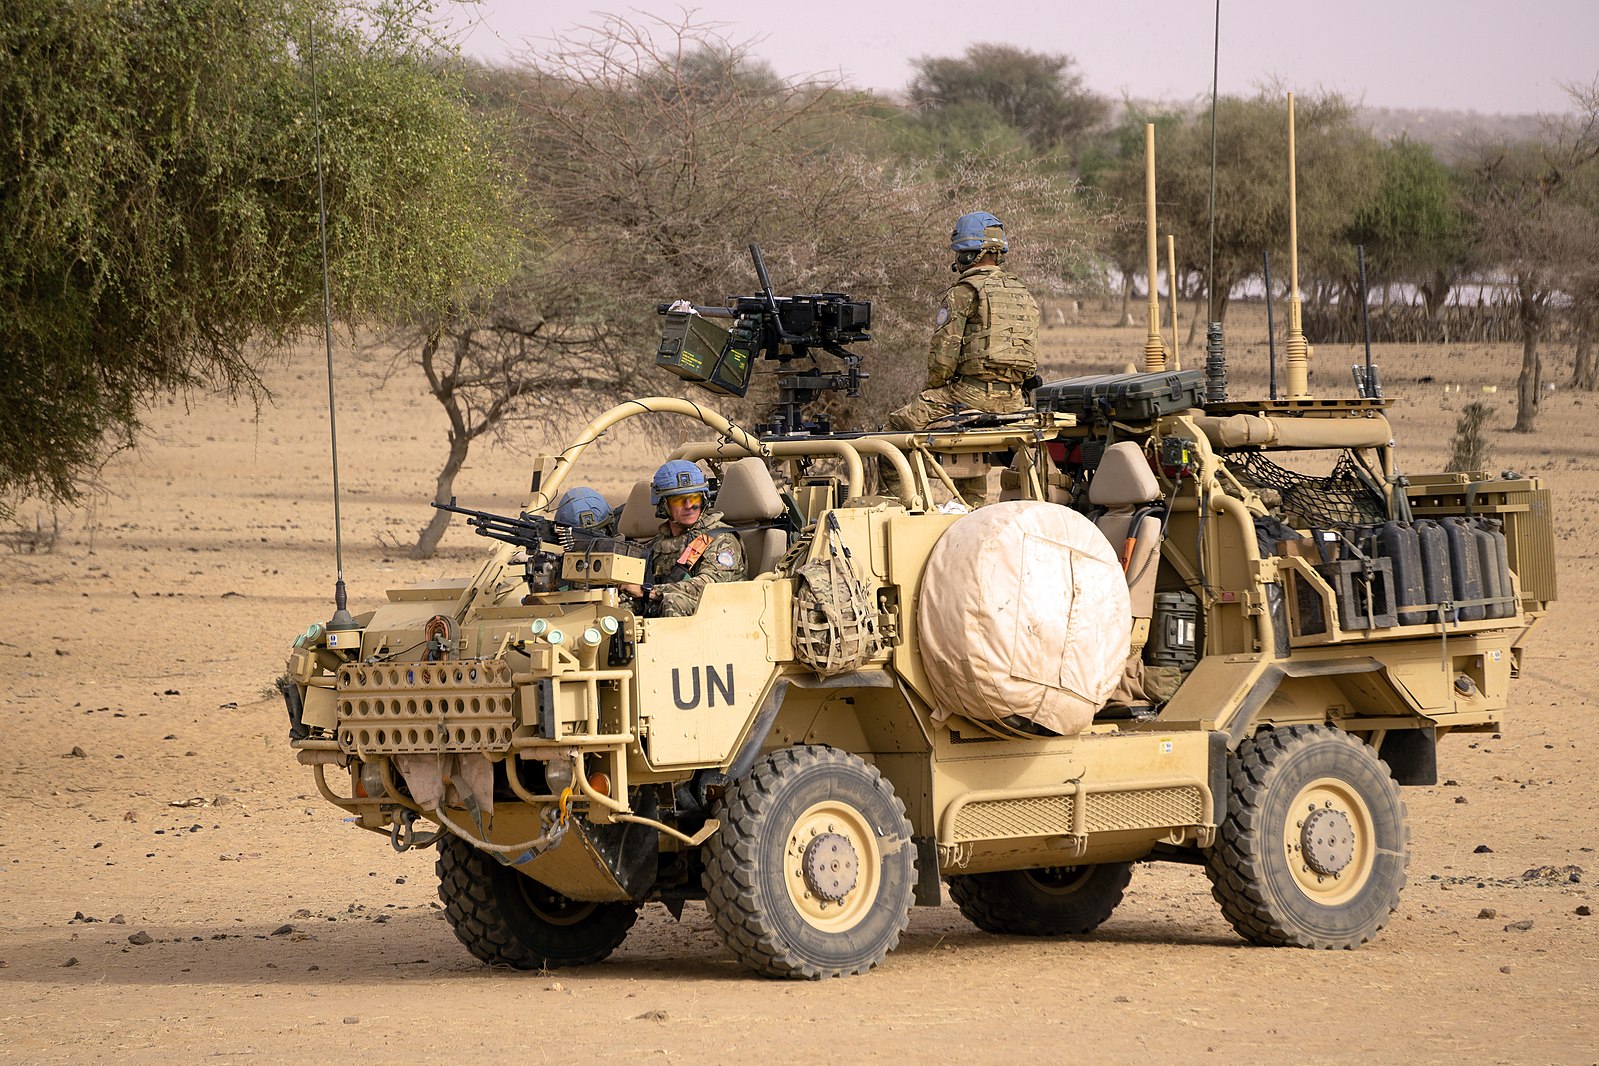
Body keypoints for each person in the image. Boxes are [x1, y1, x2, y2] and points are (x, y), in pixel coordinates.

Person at [885, 210, 1041, 505]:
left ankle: (904, 510)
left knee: (891, 432)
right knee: (970, 432)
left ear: (970, 256)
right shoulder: (1022, 293)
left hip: (970, 395)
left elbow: (942, 362)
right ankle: (974, 508)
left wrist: (935, 387)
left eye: (961, 254)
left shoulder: (963, 292)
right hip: (1016, 401)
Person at [620, 460, 746, 617]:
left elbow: (709, 586)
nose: (689, 506)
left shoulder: (720, 539)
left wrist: (649, 592)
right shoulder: (658, 544)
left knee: (674, 602)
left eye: (695, 499)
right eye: (679, 501)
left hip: (720, 615)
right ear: (664, 505)